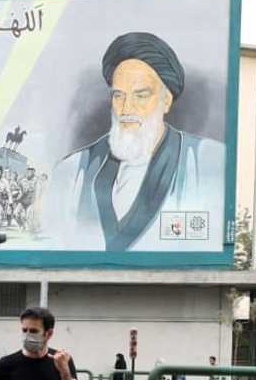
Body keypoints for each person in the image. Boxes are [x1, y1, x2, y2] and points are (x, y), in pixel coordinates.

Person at [43, 32, 225, 252]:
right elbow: (51, 243)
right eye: (119, 95)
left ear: (166, 100)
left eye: (141, 95)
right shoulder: (72, 171)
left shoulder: (207, 161)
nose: (127, 108)